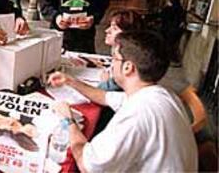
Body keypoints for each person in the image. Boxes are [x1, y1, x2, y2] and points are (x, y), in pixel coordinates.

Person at [48, 31, 197, 172]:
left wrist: (69, 121)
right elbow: (104, 96)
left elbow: (87, 166)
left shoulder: (136, 114)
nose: (112, 63)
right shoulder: (160, 94)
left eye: (114, 58)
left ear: (128, 67)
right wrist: (71, 81)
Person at [98, 9, 144, 91]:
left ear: (128, 34)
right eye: (110, 26)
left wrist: (104, 82)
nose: (107, 31)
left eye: (115, 29)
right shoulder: (119, 49)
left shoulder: (124, 56)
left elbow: (110, 89)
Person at [160, 0, 186, 65]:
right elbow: (182, 21)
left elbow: (162, 16)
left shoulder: (168, 9)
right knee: (172, 46)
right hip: (176, 32)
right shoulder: (181, 9)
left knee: (167, 45)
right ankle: (173, 59)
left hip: (167, 31)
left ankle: (171, 59)